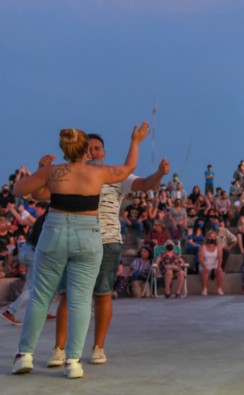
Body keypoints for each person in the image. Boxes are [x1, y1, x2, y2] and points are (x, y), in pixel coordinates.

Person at [12, 124, 148, 379]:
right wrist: (136, 141)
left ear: (63, 149)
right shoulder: (98, 174)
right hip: (88, 236)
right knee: (81, 300)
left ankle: (24, 355)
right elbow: (129, 169)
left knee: (41, 296)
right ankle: (73, 361)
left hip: (54, 233)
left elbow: (20, 190)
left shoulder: (53, 172)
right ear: (86, 150)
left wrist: (41, 169)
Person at [2, 201, 49, 326]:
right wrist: (22, 210)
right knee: (34, 288)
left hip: (26, 252)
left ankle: (40, 312)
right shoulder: (45, 221)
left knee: (30, 286)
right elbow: (28, 219)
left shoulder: (39, 220)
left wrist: (12, 210)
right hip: (34, 254)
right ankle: (10, 311)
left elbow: (22, 221)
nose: (36, 211)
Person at [198, 231, 225, 296]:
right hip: (205, 265)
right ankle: (205, 288)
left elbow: (220, 258)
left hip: (214, 265)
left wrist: (218, 267)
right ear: (207, 238)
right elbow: (200, 259)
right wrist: (204, 267)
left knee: (220, 271)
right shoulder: (202, 247)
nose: (212, 238)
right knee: (205, 271)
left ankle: (219, 288)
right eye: (210, 237)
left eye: (213, 237)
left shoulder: (218, 248)